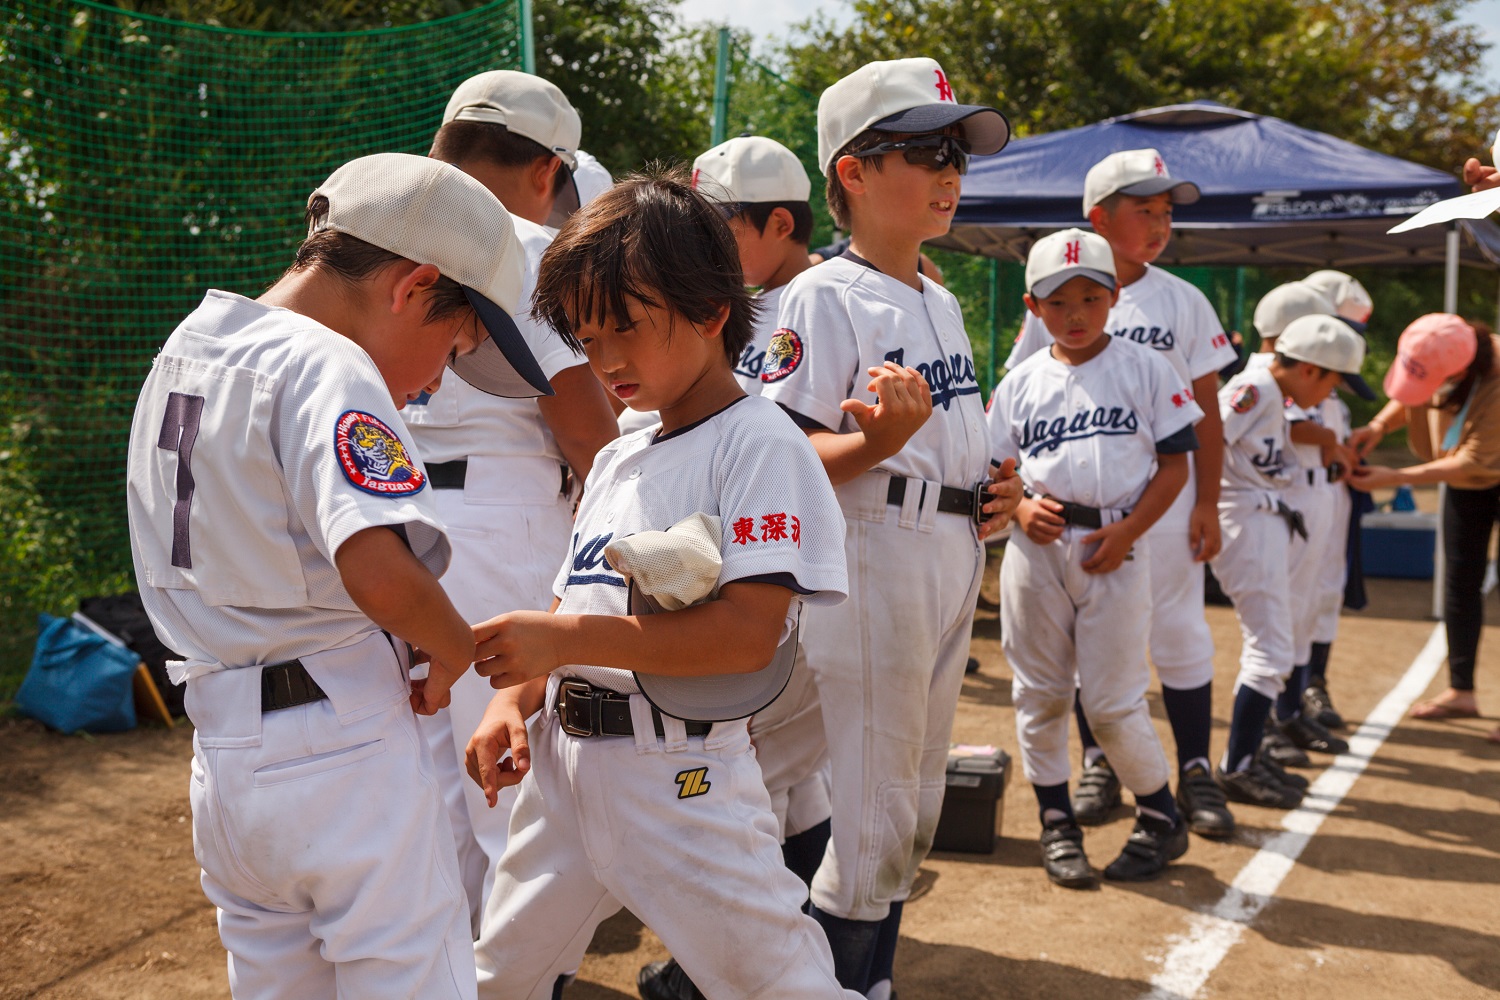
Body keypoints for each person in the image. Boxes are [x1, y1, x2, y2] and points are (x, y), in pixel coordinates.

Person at [125, 152, 550, 997]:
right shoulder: (330, 362)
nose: (434, 382)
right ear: (412, 285)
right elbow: (379, 570)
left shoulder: (188, 344)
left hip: (224, 753)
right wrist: (454, 647)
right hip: (339, 751)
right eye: (452, 342)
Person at [462, 169, 861, 1000]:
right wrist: (516, 699)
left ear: (713, 310)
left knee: (777, 985)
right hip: (564, 770)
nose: (605, 360)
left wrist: (563, 641)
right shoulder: (616, 454)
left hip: (679, 776)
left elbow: (747, 635)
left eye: (627, 329)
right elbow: (575, 610)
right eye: (585, 336)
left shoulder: (760, 444)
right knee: (502, 977)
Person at [757, 56, 1017, 997]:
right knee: (877, 813)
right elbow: (778, 463)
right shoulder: (822, 296)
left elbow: (942, 444)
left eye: (955, 149)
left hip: (948, 553)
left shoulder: (938, 298)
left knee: (915, 800)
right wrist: (880, 450)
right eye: (919, 149)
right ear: (851, 173)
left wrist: (993, 488)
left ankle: (832, 979)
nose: (949, 169)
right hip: (871, 549)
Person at [403, 69, 620, 931]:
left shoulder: (376, 229)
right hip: (504, 527)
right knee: (508, 799)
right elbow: (583, 432)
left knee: (423, 796)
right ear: (547, 171)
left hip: (391, 529)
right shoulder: (527, 247)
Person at [636, 133, 832, 1000]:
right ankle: (719, 957)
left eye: (715, 227)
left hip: (786, 565)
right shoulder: (737, 305)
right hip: (724, 550)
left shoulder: (807, 302)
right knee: (776, 777)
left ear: (776, 223)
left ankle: (738, 959)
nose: (695, 246)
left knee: (769, 768)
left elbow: (784, 444)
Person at [1005, 149, 1239, 840]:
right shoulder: (1053, 289)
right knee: (1085, 637)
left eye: (1168, 211)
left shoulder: (1181, 299)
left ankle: (1195, 766)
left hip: (1162, 495)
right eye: (1145, 209)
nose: (1161, 223)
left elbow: (1208, 411)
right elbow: (1022, 397)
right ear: (1099, 217)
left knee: (1178, 632)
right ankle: (1101, 761)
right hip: (1080, 505)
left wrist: (1207, 502)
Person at [988, 228, 1198, 887]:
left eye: (1089, 297)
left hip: (1113, 543)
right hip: (1037, 546)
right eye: (1058, 302)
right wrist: (1019, 505)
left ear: (1113, 298)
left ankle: (1162, 817)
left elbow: (1174, 464)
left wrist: (1131, 529)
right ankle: (1057, 823)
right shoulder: (1021, 382)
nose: (1074, 314)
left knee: (1111, 703)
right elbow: (994, 470)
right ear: (1032, 307)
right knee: (1042, 695)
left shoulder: (1145, 367)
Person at [1210, 314, 1370, 807]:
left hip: (1263, 514)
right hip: (1244, 516)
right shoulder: (1255, 387)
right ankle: (1236, 767)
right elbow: (1207, 436)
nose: (1331, 395)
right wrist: (1204, 509)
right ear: (1311, 370)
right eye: (1333, 382)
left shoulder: (1274, 391)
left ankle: (1249, 755)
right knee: (1272, 649)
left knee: (1274, 648)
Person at [1349, 314, 1500, 740]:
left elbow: (1472, 460)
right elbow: (1411, 395)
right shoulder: (1439, 353)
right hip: (1467, 478)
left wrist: (1394, 477)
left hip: (1481, 465)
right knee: (1460, 580)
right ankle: (1462, 691)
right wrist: (1378, 425)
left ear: (1461, 372)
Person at [1286, 270, 1377, 731]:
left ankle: (1312, 685)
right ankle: (1287, 700)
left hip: (1330, 493)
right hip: (1294, 495)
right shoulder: (1289, 370)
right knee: (1293, 600)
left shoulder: (1331, 391)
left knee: (1326, 590)